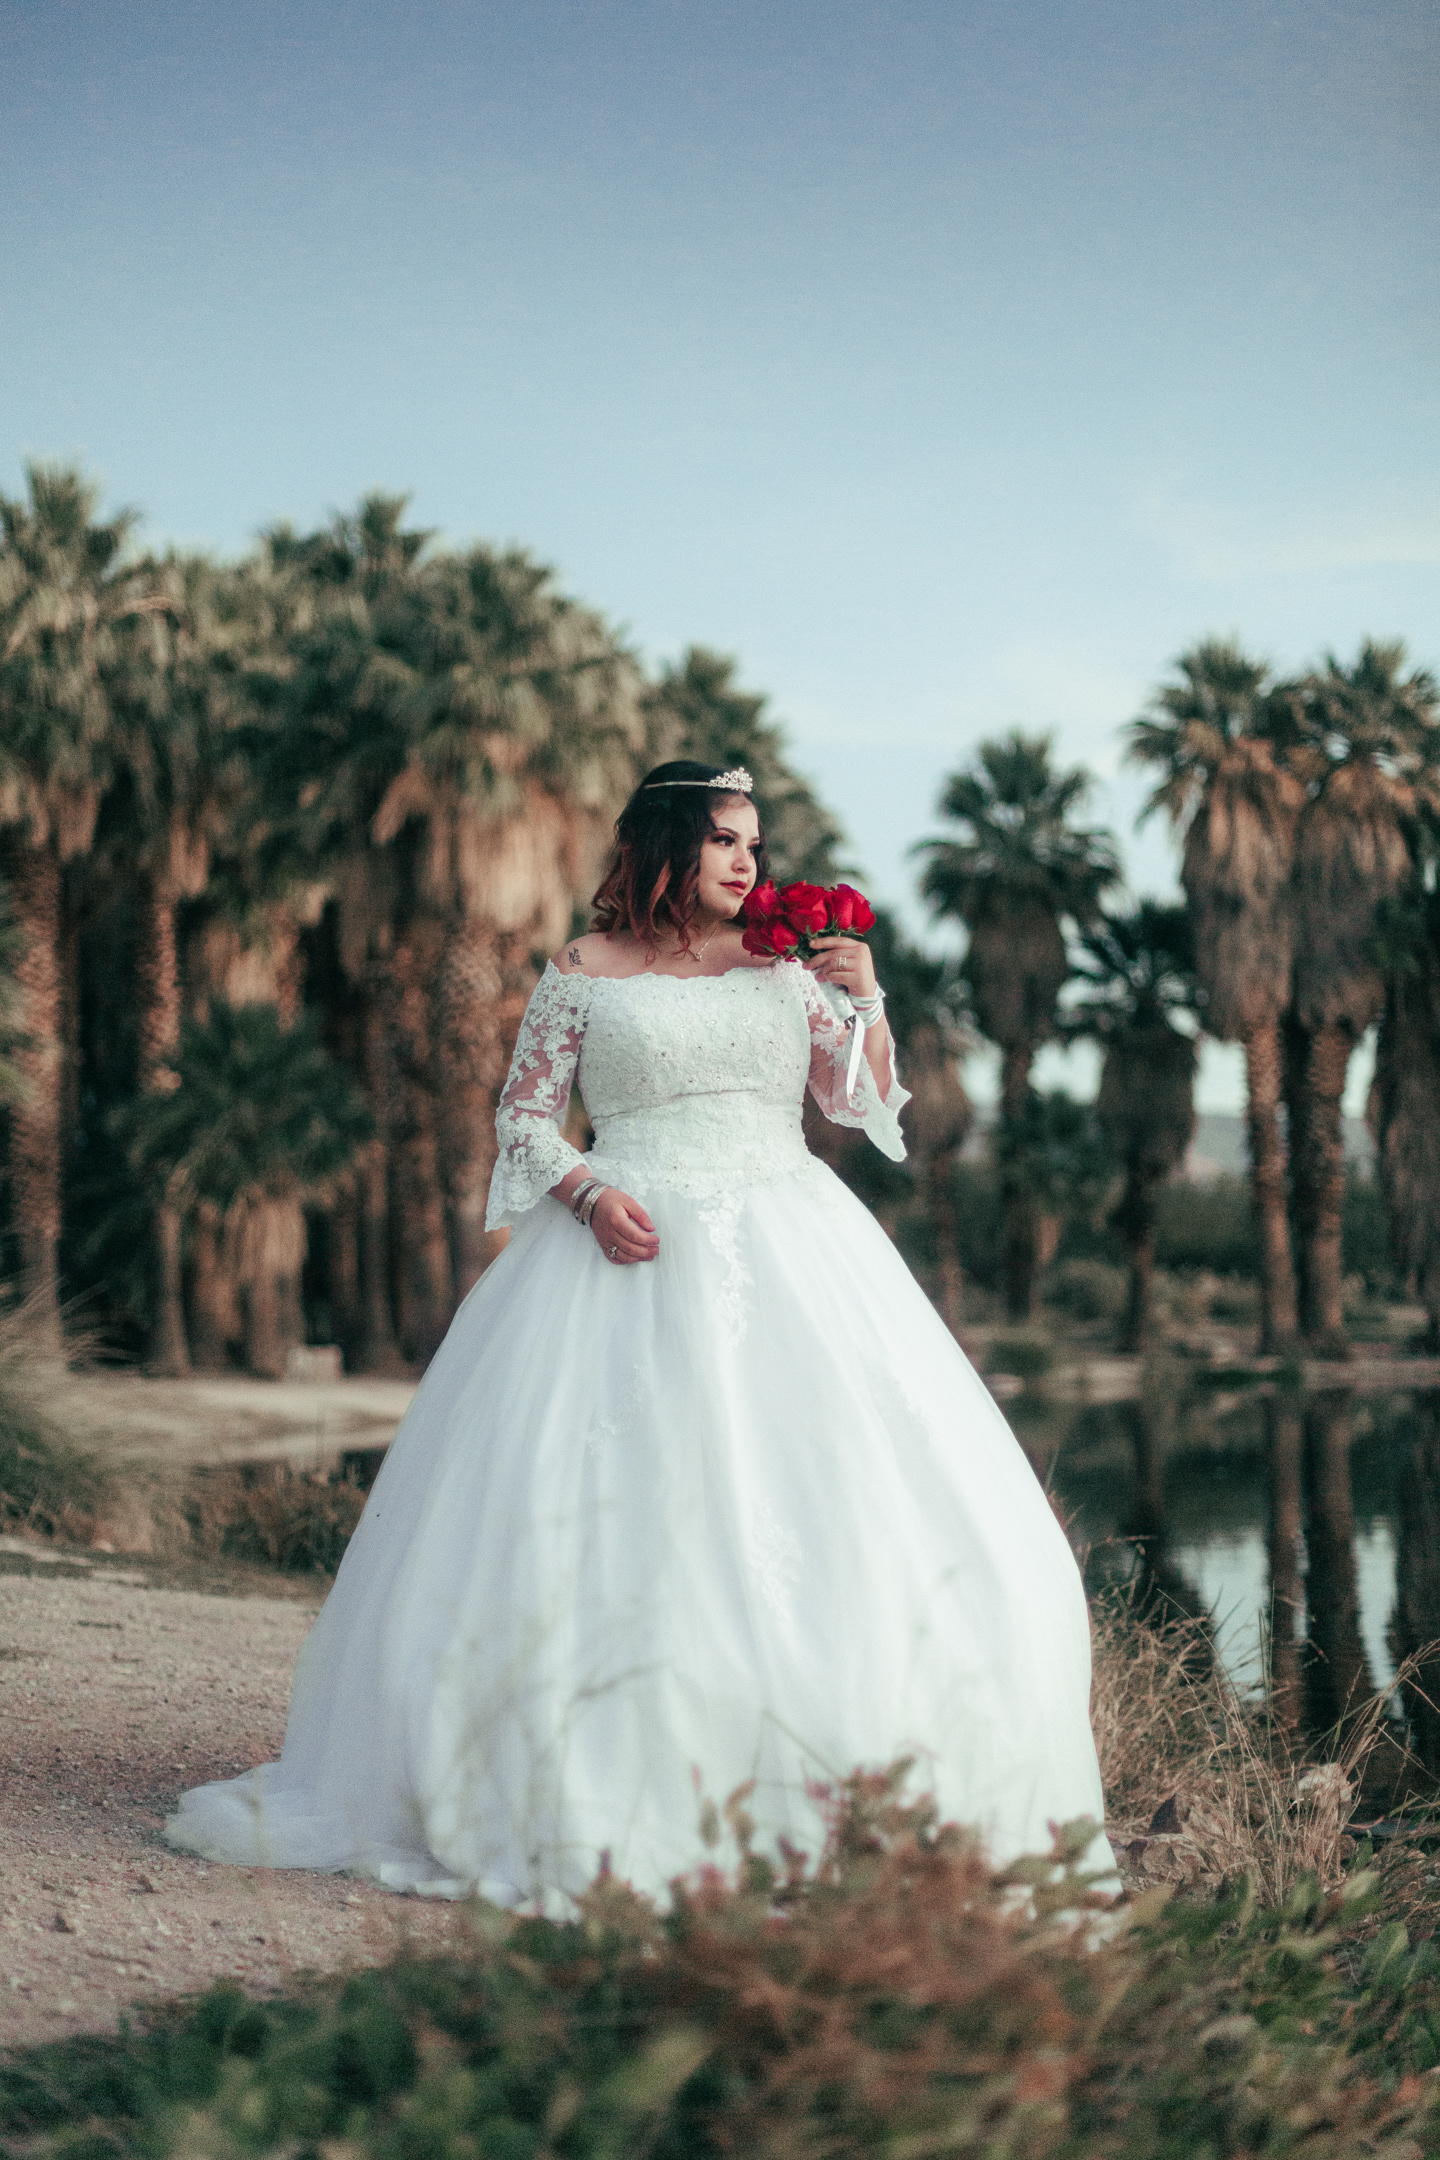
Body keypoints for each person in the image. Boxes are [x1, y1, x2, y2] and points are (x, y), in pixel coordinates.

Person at [166, 761, 1114, 1901]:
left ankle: (839, 1780)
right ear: (666, 845)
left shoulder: (784, 966)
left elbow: (852, 1103)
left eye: (755, 844)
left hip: (789, 1241)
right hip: (621, 1251)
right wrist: (586, 1194)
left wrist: (866, 999)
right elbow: (525, 1119)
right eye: (724, 840)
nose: (747, 862)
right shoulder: (582, 971)